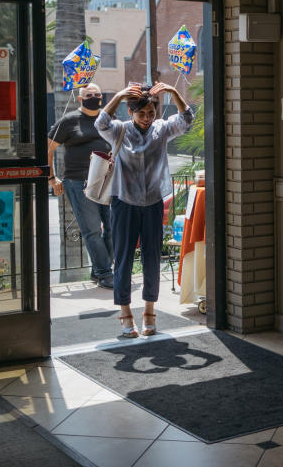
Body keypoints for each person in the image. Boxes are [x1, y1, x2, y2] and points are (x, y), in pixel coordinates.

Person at [95, 81, 192, 337]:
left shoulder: (161, 129)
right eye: (141, 113)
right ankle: (125, 313)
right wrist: (118, 95)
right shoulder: (119, 130)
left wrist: (173, 92)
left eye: (151, 113)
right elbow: (101, 123)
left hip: (152, 202)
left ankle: (149, 311)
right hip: (123, 202)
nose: (147, 118)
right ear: (131, 113)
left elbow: (186, 118)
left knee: (152, 259)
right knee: (124, 259)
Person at [47, 83, 114, 288]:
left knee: (112, 228)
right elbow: (48, 149)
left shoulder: (108, 119)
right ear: (80, 99)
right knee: (92, 229)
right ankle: (105, 274)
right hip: (78, 182)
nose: (93, 97)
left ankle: (99, 270)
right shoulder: (69, 121)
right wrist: (51, 178)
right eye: (89, 95)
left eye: (97, 94)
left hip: (107, 181)